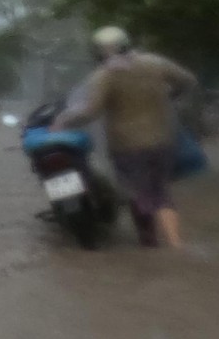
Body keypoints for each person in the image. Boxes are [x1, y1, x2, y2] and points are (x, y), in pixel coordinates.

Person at [56, 26, 196, 248]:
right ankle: (175, 243)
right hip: (163, 139)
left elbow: (91, 111)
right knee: (160, 191)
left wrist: (63, 121)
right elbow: (188, 80)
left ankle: (149, 242)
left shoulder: (105, 75)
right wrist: (171, 95)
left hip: (127, 145)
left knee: (137, 192)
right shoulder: (156, 63)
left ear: (99, 51)